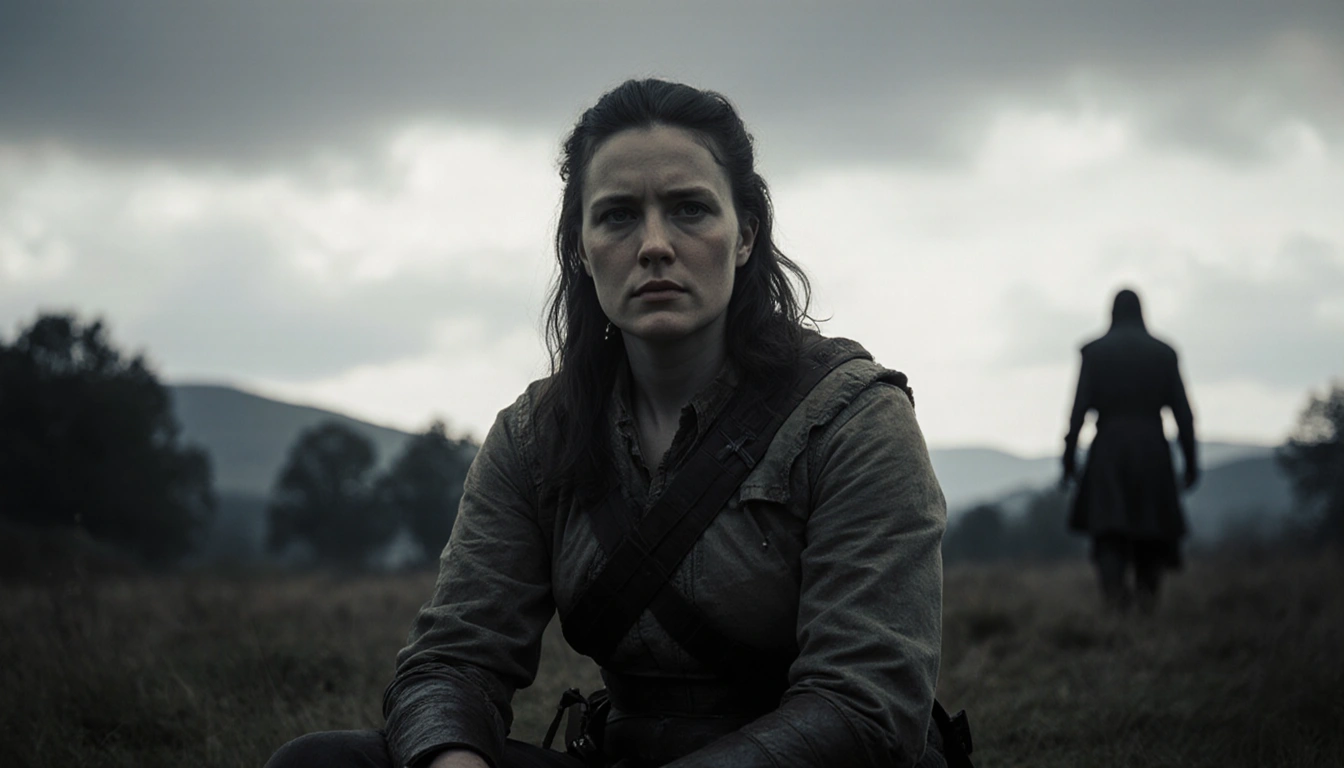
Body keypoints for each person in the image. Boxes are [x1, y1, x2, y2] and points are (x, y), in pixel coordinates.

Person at [265, 79, 949, 768]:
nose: (654, 244)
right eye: (618, 216)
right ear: (580, 250)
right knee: (319, 763)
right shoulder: (536, 436)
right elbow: (452, 661)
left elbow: (864, 703)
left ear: (744, 235)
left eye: (689, 210)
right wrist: (452, 762)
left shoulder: (852, 420)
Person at [1062, 288, 1198, 614]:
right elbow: (1183, 414)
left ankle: (1116, 609)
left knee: (1109, 533)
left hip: (1108, 448)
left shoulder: (1094, 352)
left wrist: (1068, 458)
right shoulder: (1164, 353)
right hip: (1152, 448)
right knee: (1151, 534)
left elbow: (1078, 411)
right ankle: (1146, 608)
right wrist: (1191, 461)